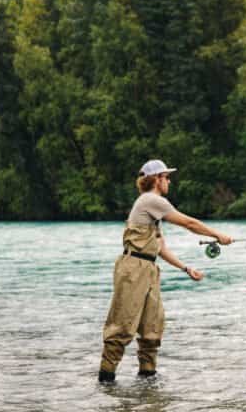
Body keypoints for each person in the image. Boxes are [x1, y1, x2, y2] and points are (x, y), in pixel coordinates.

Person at [98, 159, 232, 383]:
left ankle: (148, 382)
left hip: (149, 268)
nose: (169, 181)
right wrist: (217, 235)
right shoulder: (151, 200)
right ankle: (106, 380)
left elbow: (160, 248)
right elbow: (189, 223)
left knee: (152, 329)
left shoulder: (153, 210)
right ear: (157, 179)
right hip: (133, 269)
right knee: (121, 327)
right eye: (166, 177)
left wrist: (186, 268)